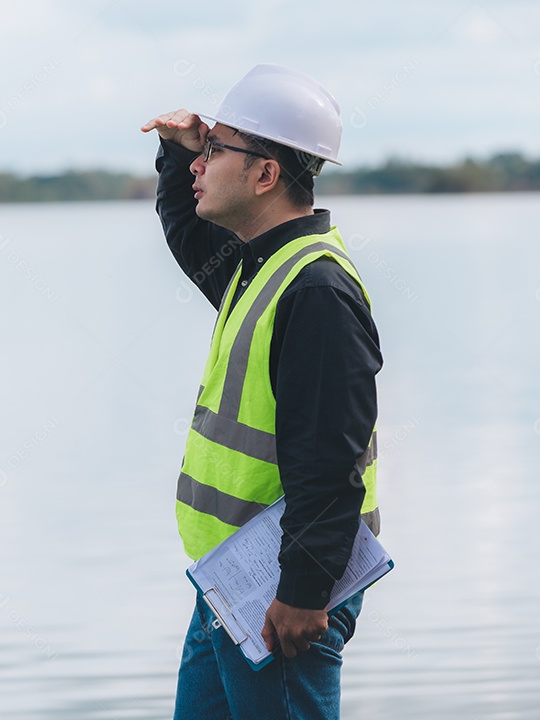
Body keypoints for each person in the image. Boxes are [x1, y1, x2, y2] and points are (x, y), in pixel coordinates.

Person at [140, 64, 383, 719]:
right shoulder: (259, 264)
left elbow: (331, 457)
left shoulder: (316, 292)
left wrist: (304, 591)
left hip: (282, 593)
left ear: (266, 175)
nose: (203, 164)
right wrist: (176, 154)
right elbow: (191, 235)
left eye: (217, 151)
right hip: (231, 581)